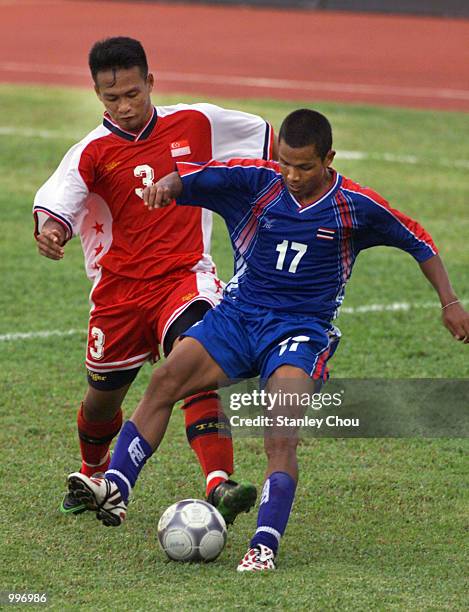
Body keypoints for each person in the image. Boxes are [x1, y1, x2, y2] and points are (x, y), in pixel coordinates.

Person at [67, 109, 469, 570]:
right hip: (238, 319)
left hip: (301, 330)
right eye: (285, 164)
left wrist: (449, 302)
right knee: (165, 379)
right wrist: (166, 186)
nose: (293, 176)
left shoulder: (355, 205)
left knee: (279, 433)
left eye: (304, 167)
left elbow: (418, 239)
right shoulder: (256, 182)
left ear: (329, 159)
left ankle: (263, 546)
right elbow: (194, 178)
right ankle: (117, 486)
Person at [34, 36, 277, 523]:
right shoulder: (91, 152)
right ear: (97, 94)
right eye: (111, 98)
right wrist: (52, 229)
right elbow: (59, 202)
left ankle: (219, 484)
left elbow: (270, 141)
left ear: (150, 82)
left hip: (184, 277)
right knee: (100, 404)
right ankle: (93, 472)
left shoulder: (198, 122)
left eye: (132, 94)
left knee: (193, 359)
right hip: (118, 295)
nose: (124, 107)